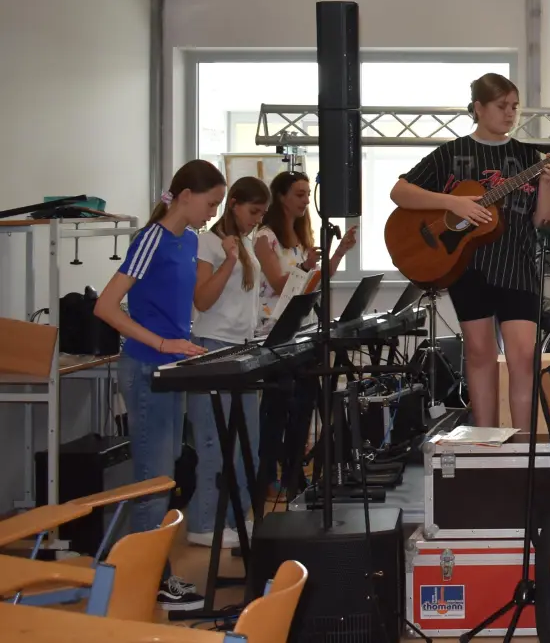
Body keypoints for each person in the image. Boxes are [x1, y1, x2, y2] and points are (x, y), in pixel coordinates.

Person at [391, 72, 550, 430]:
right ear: (478, 108)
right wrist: (454, 203)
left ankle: (522, 448)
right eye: (502, 106)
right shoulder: (450, 154)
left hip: (517, 265)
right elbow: (400, 192)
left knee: (523, 357)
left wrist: (546, 182)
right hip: (467, 266)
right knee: (481, 355)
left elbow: (545, 219)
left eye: (514, 107)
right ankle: (486, 441)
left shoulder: (527, 156)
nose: (510, 113)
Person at [92, 159, 224, 611]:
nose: (212, 212)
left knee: (164, 473)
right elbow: (107, 308)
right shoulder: (151, 240)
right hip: (146, 369)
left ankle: (139, 570)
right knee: (153, 480)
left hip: (170, 370)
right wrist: (164, 341)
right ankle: (150, 579)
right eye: (210, 203)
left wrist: (182, 344)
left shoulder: (189, 242)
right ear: (185, 195)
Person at [255, 170, 356, 498]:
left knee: (303, 407)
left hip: (301, 332)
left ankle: (294, 474)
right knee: (276, 409)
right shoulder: (264, 237)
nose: (304, 201)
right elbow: (277, 282)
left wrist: (338, 252)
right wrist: (303, 267)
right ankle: (268, 476)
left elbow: (316, 278)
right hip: (272, 334)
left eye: (305, 194)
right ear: (281, 196)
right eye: (299, 194)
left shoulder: (297, 238)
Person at [188, 175, 270, 548]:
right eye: (253, 211)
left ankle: (236, 519)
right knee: (215, 442)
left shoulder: (248, 243)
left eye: (262, 213)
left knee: (247, 444)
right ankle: (204, 523)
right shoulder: (207, 242)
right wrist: (230, 259)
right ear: (233, 203)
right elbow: (203, 300)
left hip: (242, 347)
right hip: (213, 346)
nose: (257, 218)